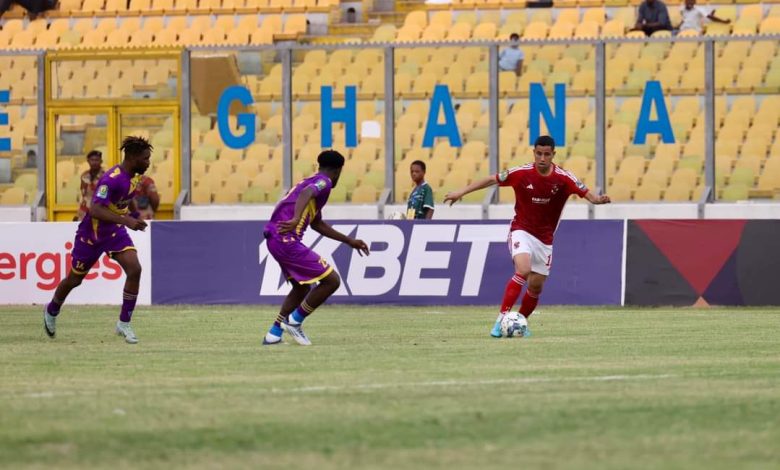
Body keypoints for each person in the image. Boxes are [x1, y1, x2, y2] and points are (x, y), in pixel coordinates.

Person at [443, 135, 611, 338]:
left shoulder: (564, 178)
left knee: (536, 287)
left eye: (546, 154)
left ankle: (519, 322)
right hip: (521, 230)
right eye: (539, 154)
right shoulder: (521, 173)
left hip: (545, 239)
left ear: (553, 154)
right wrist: (461, 192)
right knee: (523, 269)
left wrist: (599, 199)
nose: (542, 158)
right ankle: (500, 321)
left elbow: (589, 195)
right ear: (534, 153)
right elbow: (491, 179)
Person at [43, 136, 152, 344]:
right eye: (145, 158)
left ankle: (124, 323)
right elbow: (95, 209)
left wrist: (135, 216)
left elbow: (126, 199)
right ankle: (52, 309)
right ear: (132, 157)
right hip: (91, 235)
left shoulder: (135, 177)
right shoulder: (111, 179)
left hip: (114, 232)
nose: (148, 162)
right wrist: (127, 220)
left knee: (134, 269)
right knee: (74, 280)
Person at [262, 150, 370, 346]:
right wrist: (296, 218)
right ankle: (294, 322)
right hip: (286, 238)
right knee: (332, 281)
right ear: (338, 171)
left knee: (301, 287)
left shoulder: (309, 181)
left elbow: (317, 224)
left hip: (274, 238)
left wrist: (349, 241)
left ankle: (274, 334)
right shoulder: (324, 182)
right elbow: (307, 193)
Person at [77, 150, 105, 222]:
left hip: (100, 210)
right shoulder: (84, 175)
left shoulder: (105, 176)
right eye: (92, 160)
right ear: (88, 161)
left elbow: (103, 195)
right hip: (85, 210)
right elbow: (83, 193)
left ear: (101, 161)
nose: (94, 162)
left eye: (96, 160)